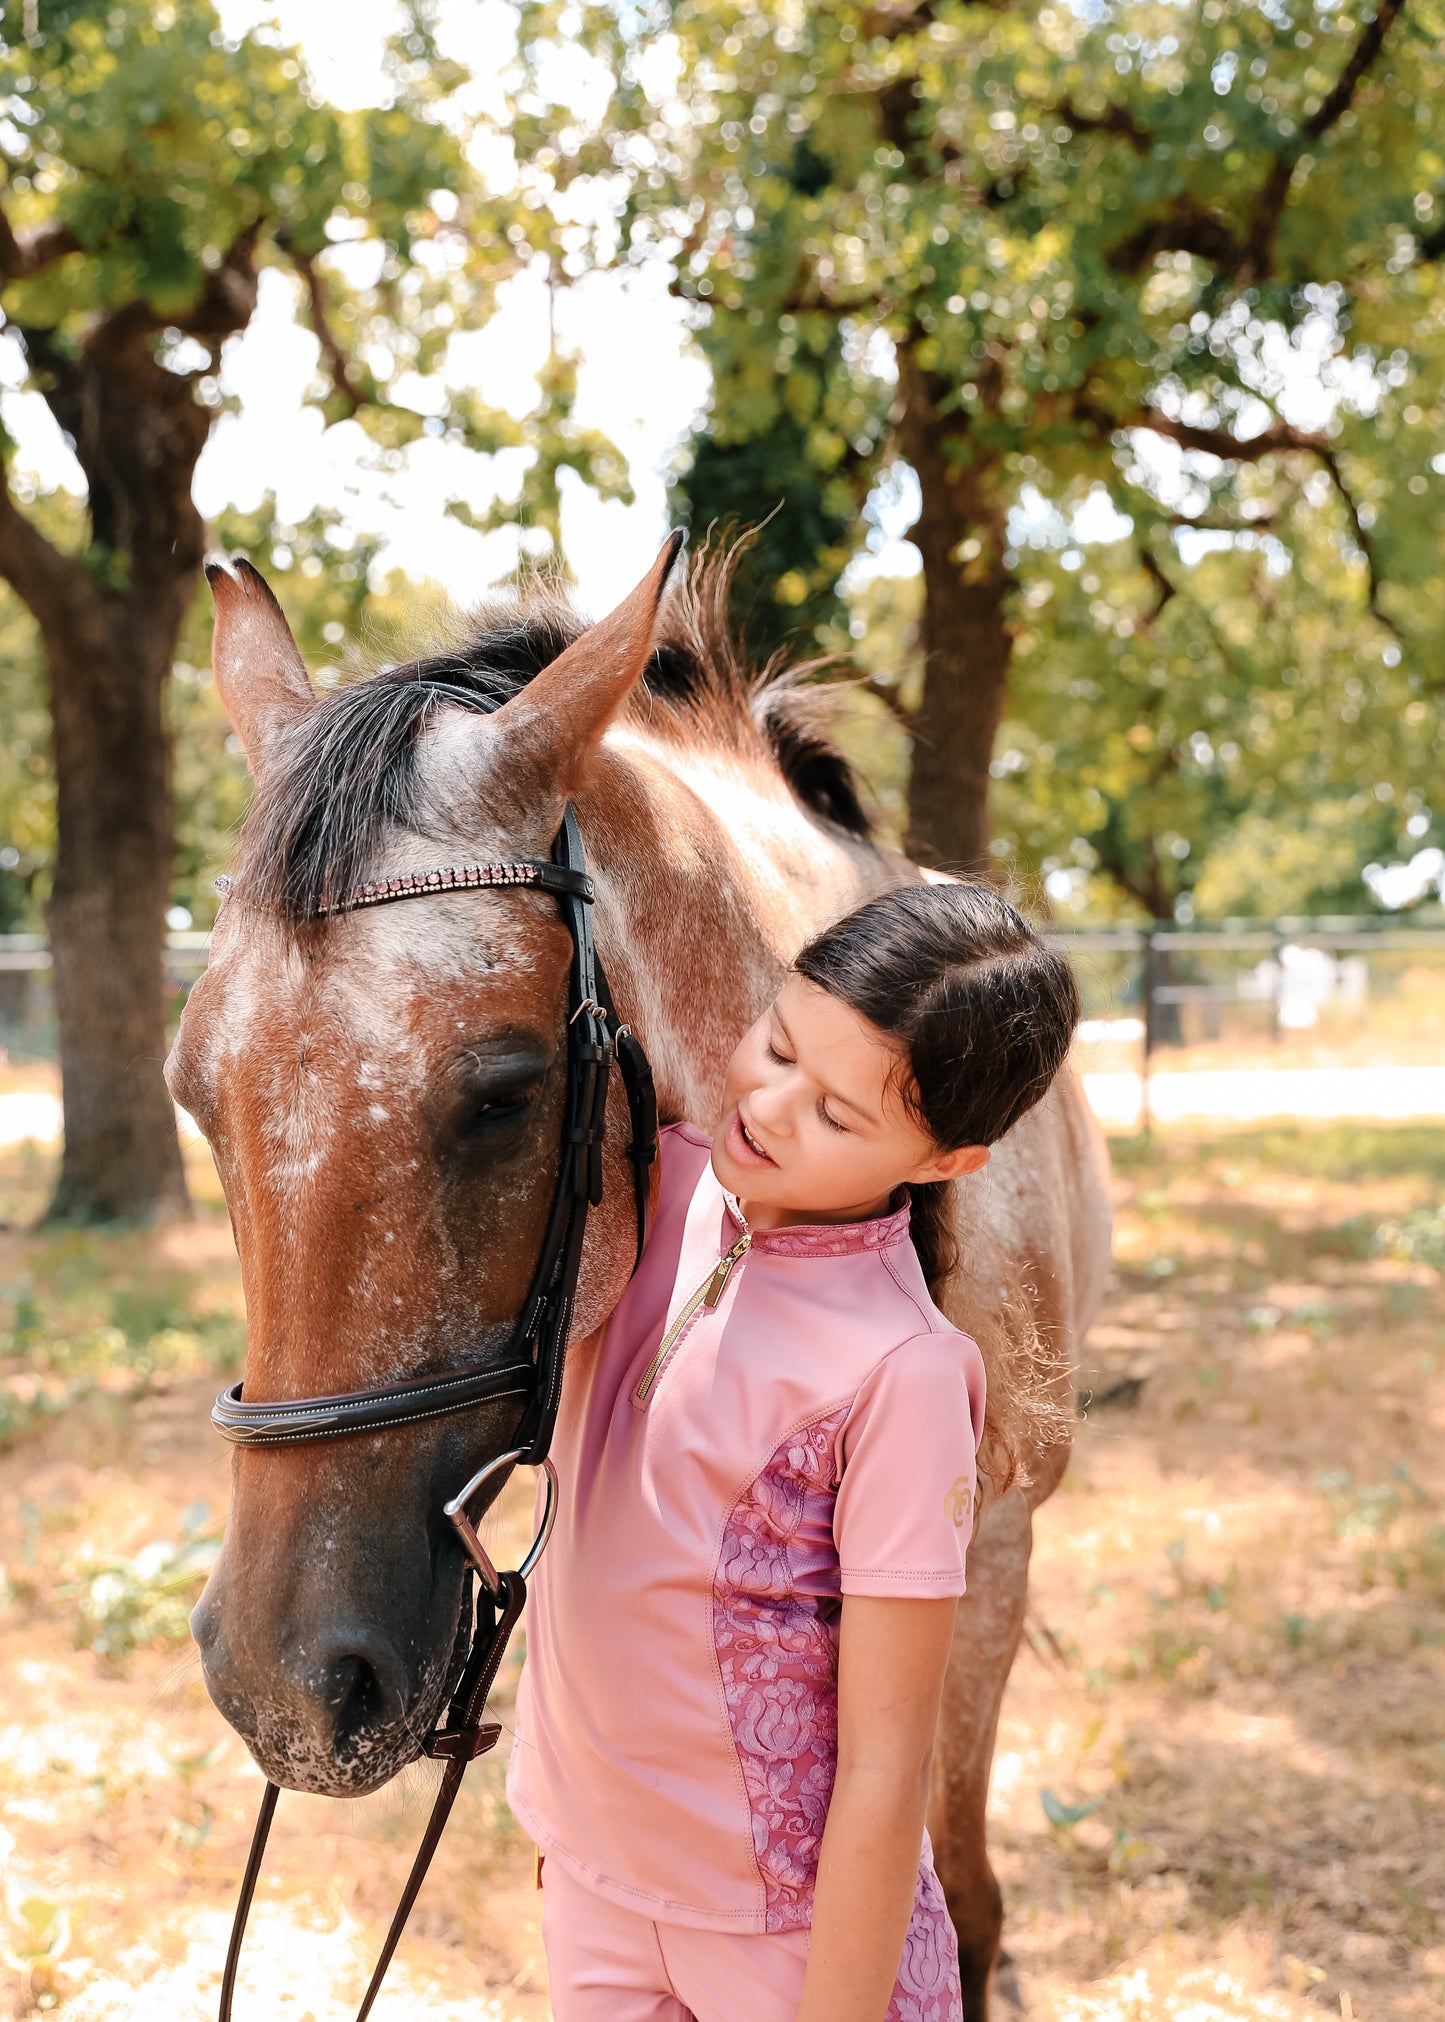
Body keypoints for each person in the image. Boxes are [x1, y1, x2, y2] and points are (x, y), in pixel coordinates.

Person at [506, 882, 1080, 2022]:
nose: (767, 1106)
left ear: (947, 1161)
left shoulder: (900, 1374)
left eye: (835, 1113)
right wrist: (583, 1842)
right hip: (595, 1888)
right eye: (773, 1044)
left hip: (792, 1946)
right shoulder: (649, 1183)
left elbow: (881, 1769)